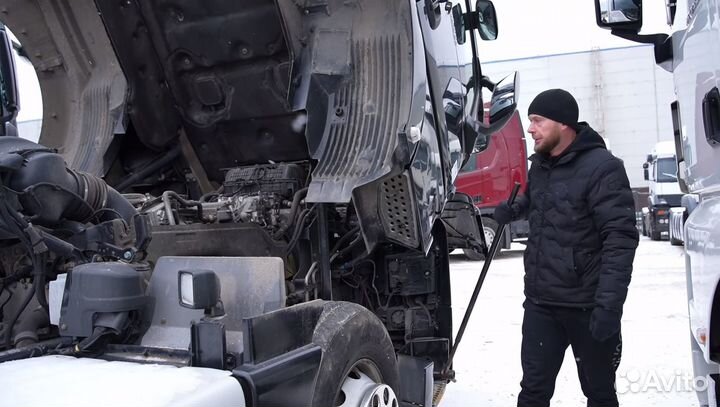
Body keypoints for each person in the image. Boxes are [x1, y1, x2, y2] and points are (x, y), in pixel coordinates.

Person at [494, 89, 639, 407]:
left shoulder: (603, 168)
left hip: (587, 306)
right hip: (541, 302)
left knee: (599, 392)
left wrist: (609, 307)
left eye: (537, 120)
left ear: (563, 124)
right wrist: (515, 209)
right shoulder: (542, 166)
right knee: (533, 392)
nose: (530, 128)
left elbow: (620, 238)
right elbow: (538, 201)